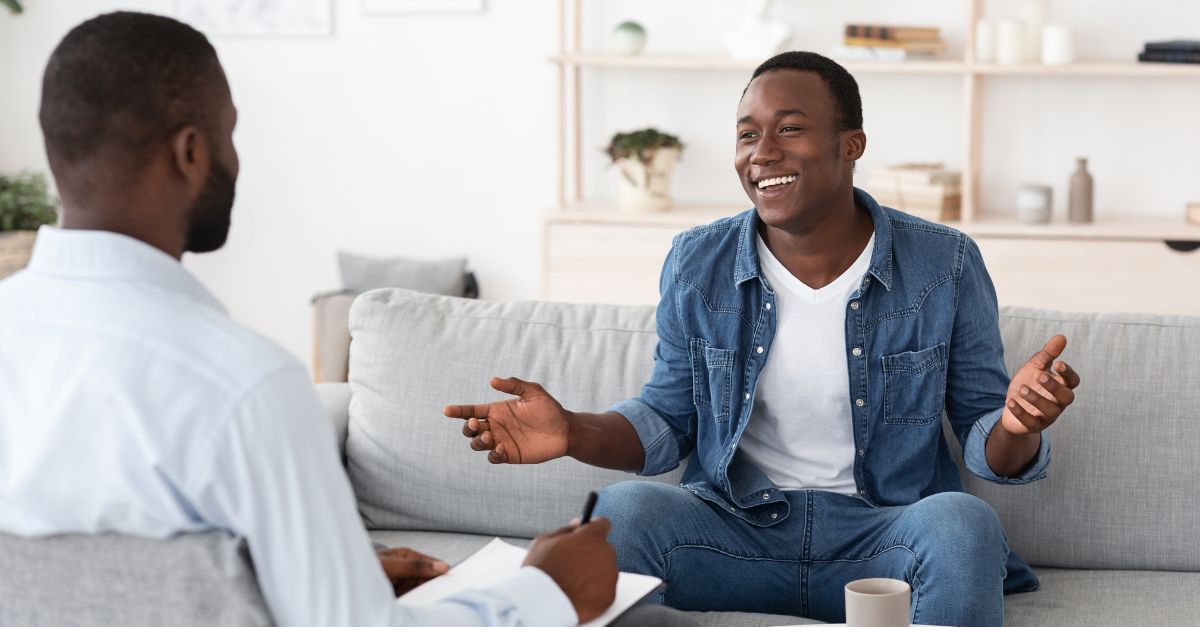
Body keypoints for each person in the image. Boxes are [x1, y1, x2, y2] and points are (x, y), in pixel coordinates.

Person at [0, 11, 621, 627]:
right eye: (230, 135)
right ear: (191, 152)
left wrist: (313, 583)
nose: (235, 161)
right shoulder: (243, 386)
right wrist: (548, 590)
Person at [446, 51, 1081, 627]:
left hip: (879, 543)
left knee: (964, 522)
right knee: (626, 511)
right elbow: (668, 419)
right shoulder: (697, 262)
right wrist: (573, 433)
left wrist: (1018, 425)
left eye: (790, 128)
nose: (762, 151)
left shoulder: (945, 263)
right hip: (733, 537)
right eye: (748, 134)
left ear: (850, 144)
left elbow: (986, 447)